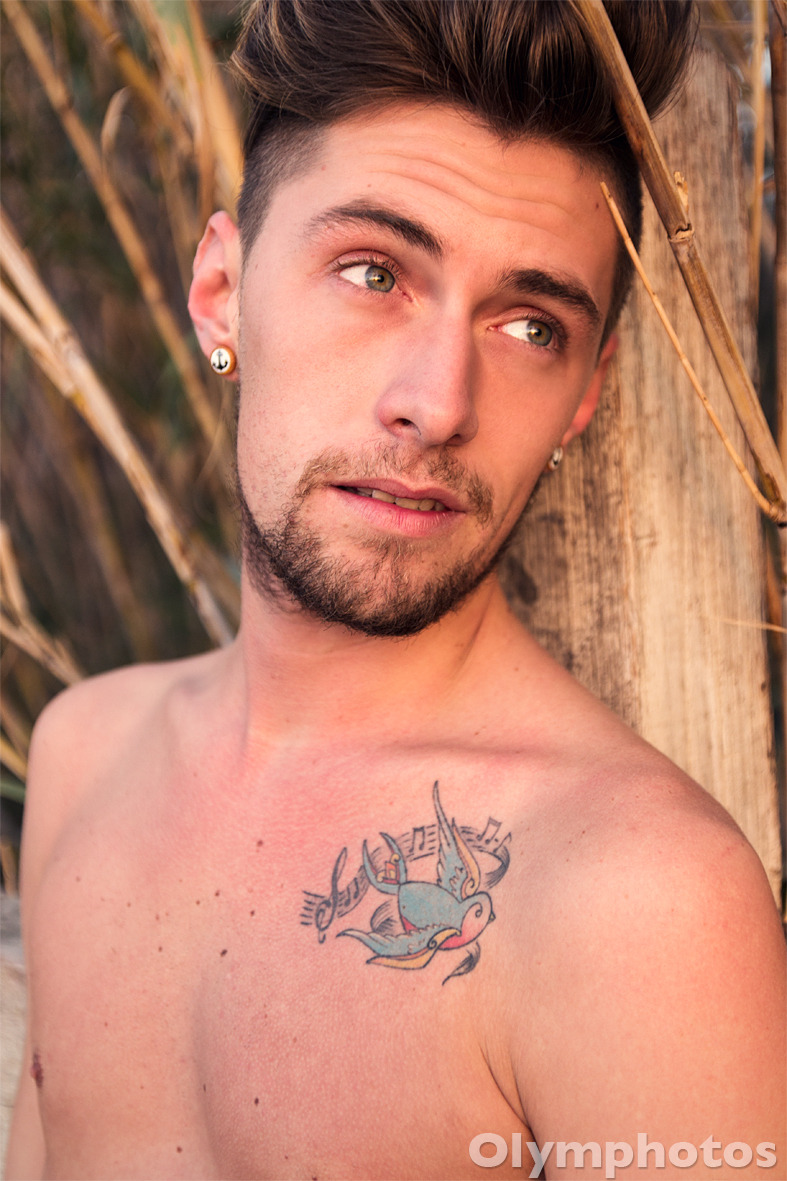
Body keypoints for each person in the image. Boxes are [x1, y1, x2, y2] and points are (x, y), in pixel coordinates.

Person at [6, 2, 785, 1178]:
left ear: (586, 388)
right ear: (221, 291)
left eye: (531, 325)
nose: (438, 401)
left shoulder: (638, 900)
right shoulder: (84, 755)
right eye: (373, 272)